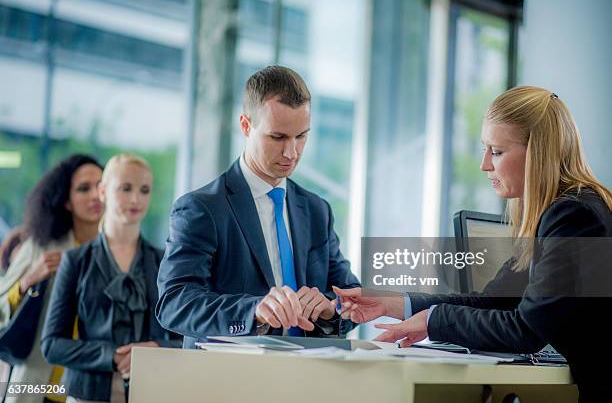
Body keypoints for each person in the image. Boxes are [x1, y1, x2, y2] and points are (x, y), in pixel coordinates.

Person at [334, 86, 612, 401]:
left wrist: (434, 320)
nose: (484, 165)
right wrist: (396, 303)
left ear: (537, 152)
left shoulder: (574, 215)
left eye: (496, 151)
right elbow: (495, 300)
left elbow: (527, 331)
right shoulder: (563, 210)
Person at [156, 65, 360, 347]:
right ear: (245, 126)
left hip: (307, 378)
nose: (292, 152)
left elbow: (351, 296)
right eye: (278, 137)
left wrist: (330, 307)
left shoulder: (316, 211)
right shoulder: (202, 208)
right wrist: (253, 310)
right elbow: (174, 303)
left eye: (301, 136)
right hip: (229, 380)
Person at [42, 154, 176, 403]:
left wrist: (156, 349)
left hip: (151, 392)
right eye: (125, 188)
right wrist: (111, 355)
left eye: (144, 190)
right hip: (85, 395)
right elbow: (51, 345)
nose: (136, 199)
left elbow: (186, 338)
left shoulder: (164, 262)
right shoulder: (75, 261)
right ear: (103, 192)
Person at [0, 154, 104, 403]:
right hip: (40, 385)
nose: (94, 196)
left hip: (91, 388)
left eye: (100, 186)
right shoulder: (41, 246)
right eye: (83, 188)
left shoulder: (118, 253)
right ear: (66, 201)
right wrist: (27, 282)